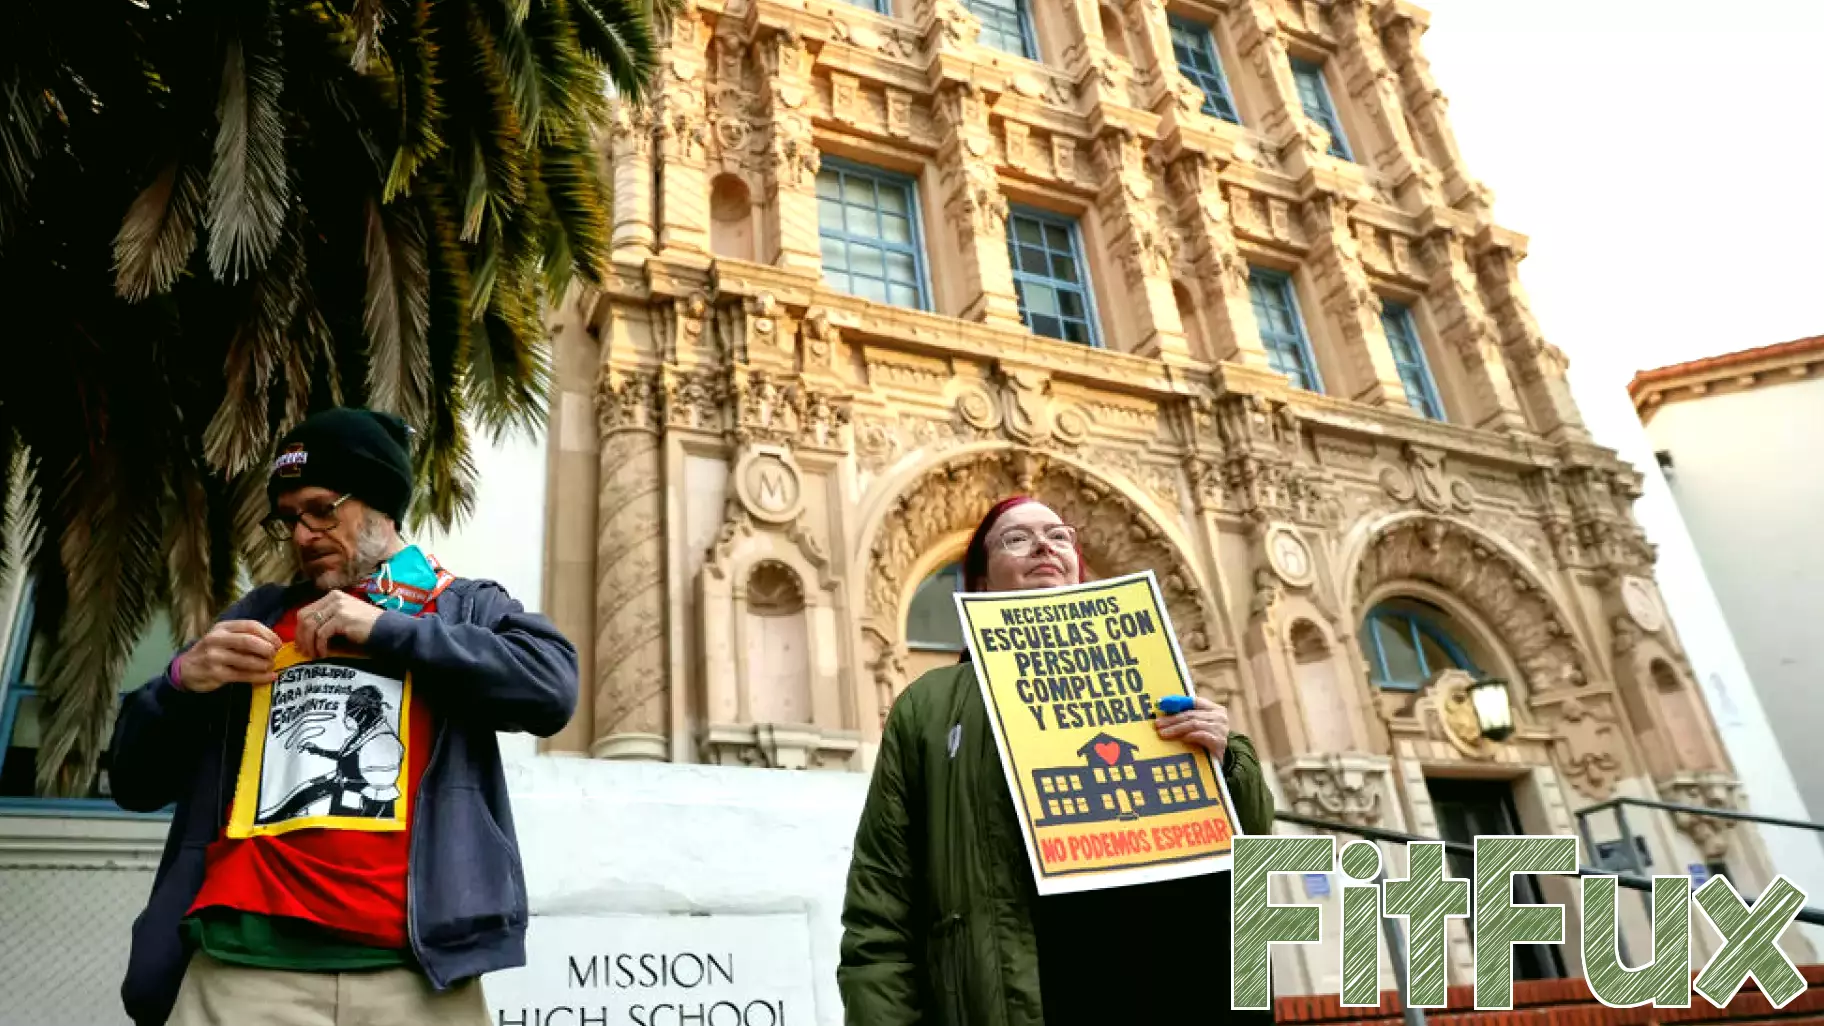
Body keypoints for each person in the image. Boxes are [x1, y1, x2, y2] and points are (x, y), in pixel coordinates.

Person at [107, 406, 579, 1026]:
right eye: (288, 519)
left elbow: (552, 688)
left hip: (417, 975)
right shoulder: (255, 617)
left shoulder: (459, 607)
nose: (303, 535)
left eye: (323, 509)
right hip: (241, 969)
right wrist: (178, 684)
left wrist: (387, 629)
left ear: (381, 505)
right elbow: (133, 782)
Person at [837, 496, 1277, 1026]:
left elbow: (1253, 845)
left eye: (1059, 536)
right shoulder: (929, 706)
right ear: (981, 584)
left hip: (1171, 980)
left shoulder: (1155, 677)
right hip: (1021, 995)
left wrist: (1228, 760)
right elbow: (882, 901)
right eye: (1016, 538)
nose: (1044, 545)